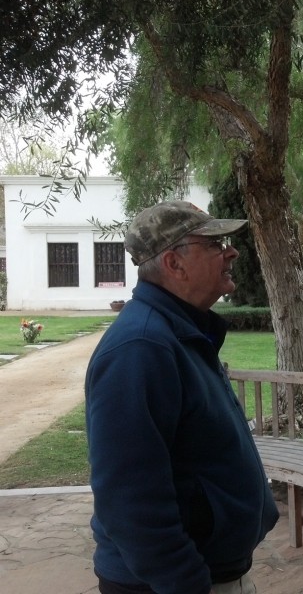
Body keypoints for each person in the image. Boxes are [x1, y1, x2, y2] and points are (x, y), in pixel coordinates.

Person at [85, 200, 279, 594]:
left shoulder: (178, 331)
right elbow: (129, 499)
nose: (231, 252)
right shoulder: (140, 348)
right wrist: (187, 583)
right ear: (174, 264)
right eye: (214, 244)